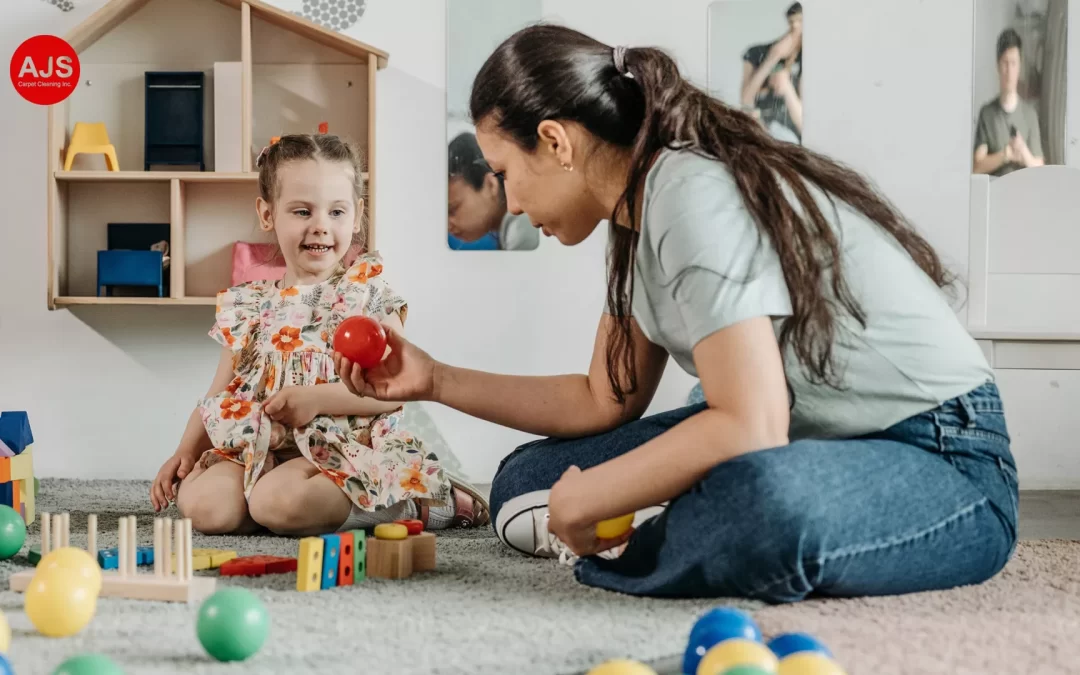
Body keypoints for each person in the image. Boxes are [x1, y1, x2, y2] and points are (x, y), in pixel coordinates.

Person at [334, 25, 1018, 602]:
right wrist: (433, 379)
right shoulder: (635, 216)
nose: (509, 204)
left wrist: (597, 492)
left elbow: (751, 423)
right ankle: (670, 512)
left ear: (556, 141)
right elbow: (602, 398)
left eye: (506, 172)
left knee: (760, 501)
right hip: (810, 435)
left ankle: (663, 520)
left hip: (944, 454)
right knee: (523, 480)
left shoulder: (688, 193)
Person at [150, 133, 488, 536]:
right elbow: (219, 396)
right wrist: (185, 451)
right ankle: (273, 505)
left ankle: (412, 501)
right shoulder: (247, 304)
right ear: (267, 213)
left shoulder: (368, 293)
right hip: (260, 447)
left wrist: (314, 399)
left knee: (279, 503)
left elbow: (395, 391)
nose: (321, 227)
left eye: (336, 212)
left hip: (343, 447)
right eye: (302, 211)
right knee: (206, 509)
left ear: (357, 215)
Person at [448, 131, 539, 250]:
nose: (448, 225)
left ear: (491, 185)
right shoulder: (511, 231)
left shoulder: (522, 231)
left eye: (453, 210)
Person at [973, 28, 1045, 176]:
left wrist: (1023, 152)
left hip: (1024, 195)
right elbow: (977, 166)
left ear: (1019, 66)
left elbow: (1040, 168)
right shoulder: (987, 114)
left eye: (1014, 63)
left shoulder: (1030, 115)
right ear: (998, 66)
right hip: (994, 196)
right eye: (1005, 63)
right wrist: (1006, 154)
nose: (1009, 70)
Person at [739, 2, 803, 143]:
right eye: (793, 21)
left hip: (792, 142)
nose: (796, 26)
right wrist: (772, 58)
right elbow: (746, 100)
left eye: (801, 21)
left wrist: (786, 88)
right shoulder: (756, 52)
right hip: (761, 133)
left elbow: (803, 124)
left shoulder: (809, 58)